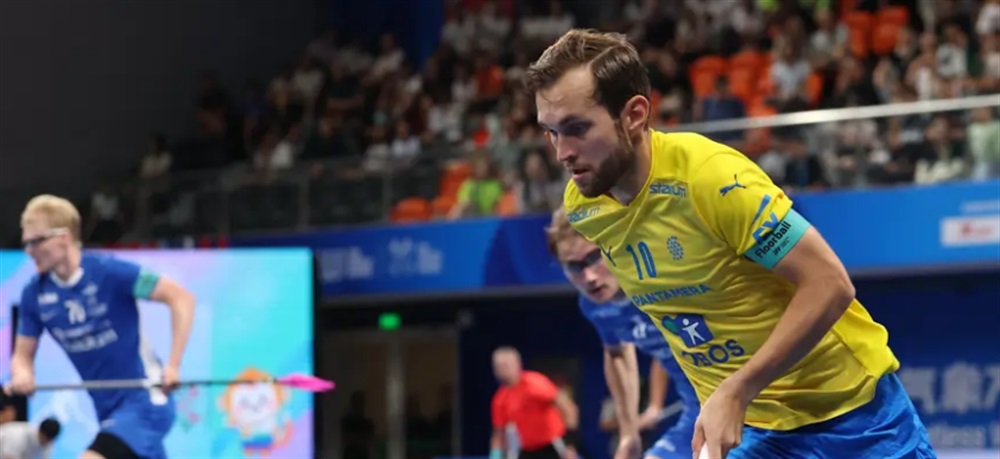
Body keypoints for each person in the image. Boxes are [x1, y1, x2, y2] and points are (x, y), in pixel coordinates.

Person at [526, 29, 936, 459]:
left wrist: (737, 389)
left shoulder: (712, 179)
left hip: (853, 415)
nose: (561, 152)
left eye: (576, 129)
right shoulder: (585, 208)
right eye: (550, 132)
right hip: (756, 431)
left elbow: (829, 284)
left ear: (634, 114)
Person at [6, 195, 196, 459]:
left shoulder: (111, 272)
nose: (29, 250)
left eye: (36, 241)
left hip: (145, 402)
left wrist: (174, 365)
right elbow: (22, 356)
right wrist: (22, 374)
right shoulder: (34, 295)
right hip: (106, 412)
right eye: (25, 243)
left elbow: (181, 298)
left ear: (63, 237)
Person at [547, 207, 700, 459]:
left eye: (595, 257)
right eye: (574, 266)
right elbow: (617, 353)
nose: (589, 276)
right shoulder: (595, 307)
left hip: (749, 405)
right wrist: (629, 433)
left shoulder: (668, 278)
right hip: (696, 416)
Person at [490, 347, 579, 459]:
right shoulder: (500, 399)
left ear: (517, 365)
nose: (501, 370)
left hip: (553, 444)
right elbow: (499, 434)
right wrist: (495, 456)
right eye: (498, 366)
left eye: (505, 365)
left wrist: (570, 444)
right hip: (528, 449)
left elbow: (568, 407)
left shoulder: (535, 384)